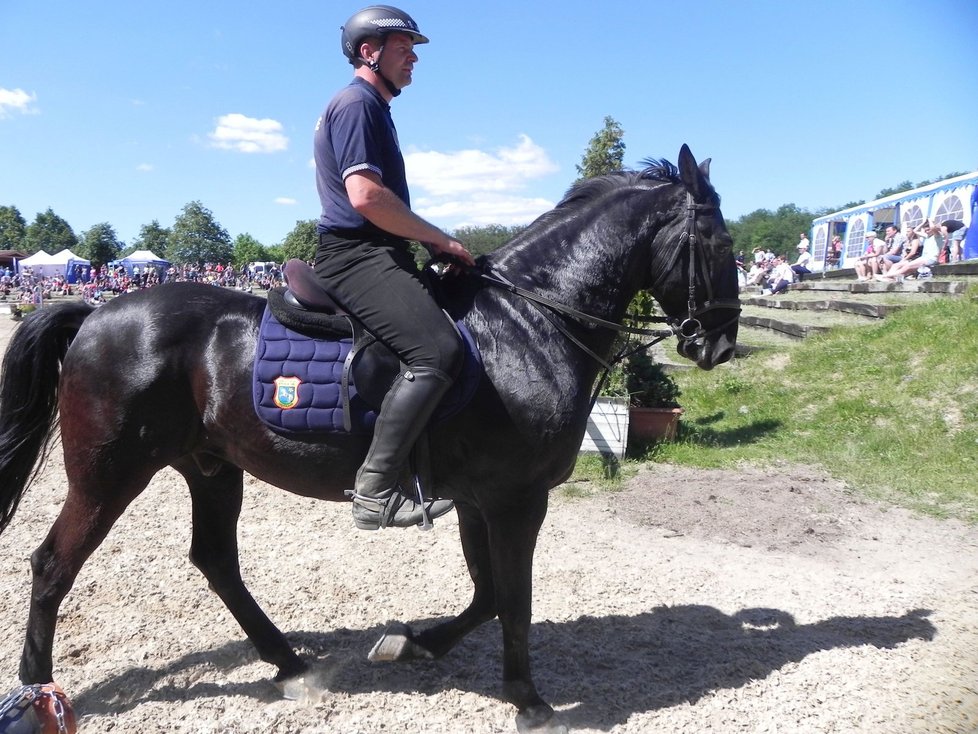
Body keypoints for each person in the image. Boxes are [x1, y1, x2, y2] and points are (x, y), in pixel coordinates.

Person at [313, 5, 475, 530]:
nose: (413, 60)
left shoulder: (375, 108)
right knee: (437, 351)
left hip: (380, 251)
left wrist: (432, 248)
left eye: (413, 51)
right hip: (354, 255)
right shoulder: (356, 103)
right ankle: (376, 490)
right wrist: (440, 238)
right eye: (404, 48)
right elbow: (365, 196)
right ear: (369, 51)